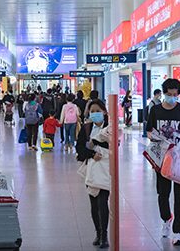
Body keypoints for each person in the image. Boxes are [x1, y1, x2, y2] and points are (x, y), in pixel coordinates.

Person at [145, 79, 180, 246]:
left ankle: (178, 232)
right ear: (163, 93)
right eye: (169, 94)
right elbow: (149, 131)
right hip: (161, 157)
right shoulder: (155, 110)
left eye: (175, 95)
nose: (173, 97)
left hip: (179, 157)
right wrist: (154, 137)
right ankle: (166, 219)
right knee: (163, 192)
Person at [76, 99, 114, 249]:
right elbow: (79, 148)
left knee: (102, 201)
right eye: (92, 111)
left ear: (104, 112)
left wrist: (96, 143)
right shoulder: (86, 128)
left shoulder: (110, 127)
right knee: (94, 203)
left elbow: (114, 145)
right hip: (91, 170)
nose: (95, 114)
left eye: (98, 111)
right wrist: (92, 154)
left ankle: (104, 235)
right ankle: (98, 233)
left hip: (106, 170)